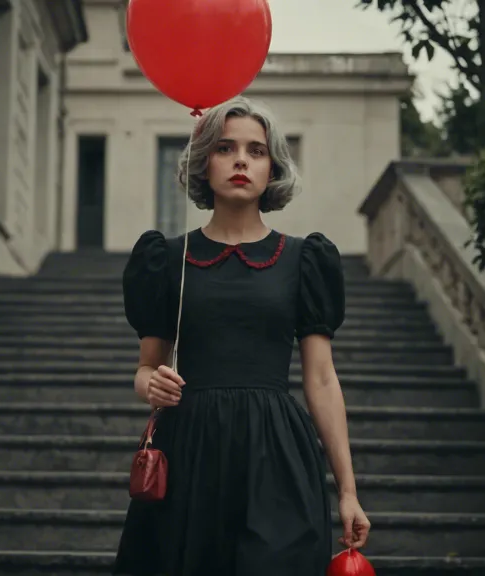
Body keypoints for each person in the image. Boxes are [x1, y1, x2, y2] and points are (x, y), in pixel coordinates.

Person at [113, 95, 370, 576]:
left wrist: (349, 491)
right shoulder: (166, 259)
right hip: (189, 448)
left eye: (256, 150)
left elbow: (321, 380)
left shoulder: (303, 260)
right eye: (225, 148)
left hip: (276, 452)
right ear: (203, 162)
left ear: (272, 169)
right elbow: (147, 366)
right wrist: (149, 383)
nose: (240, 161)